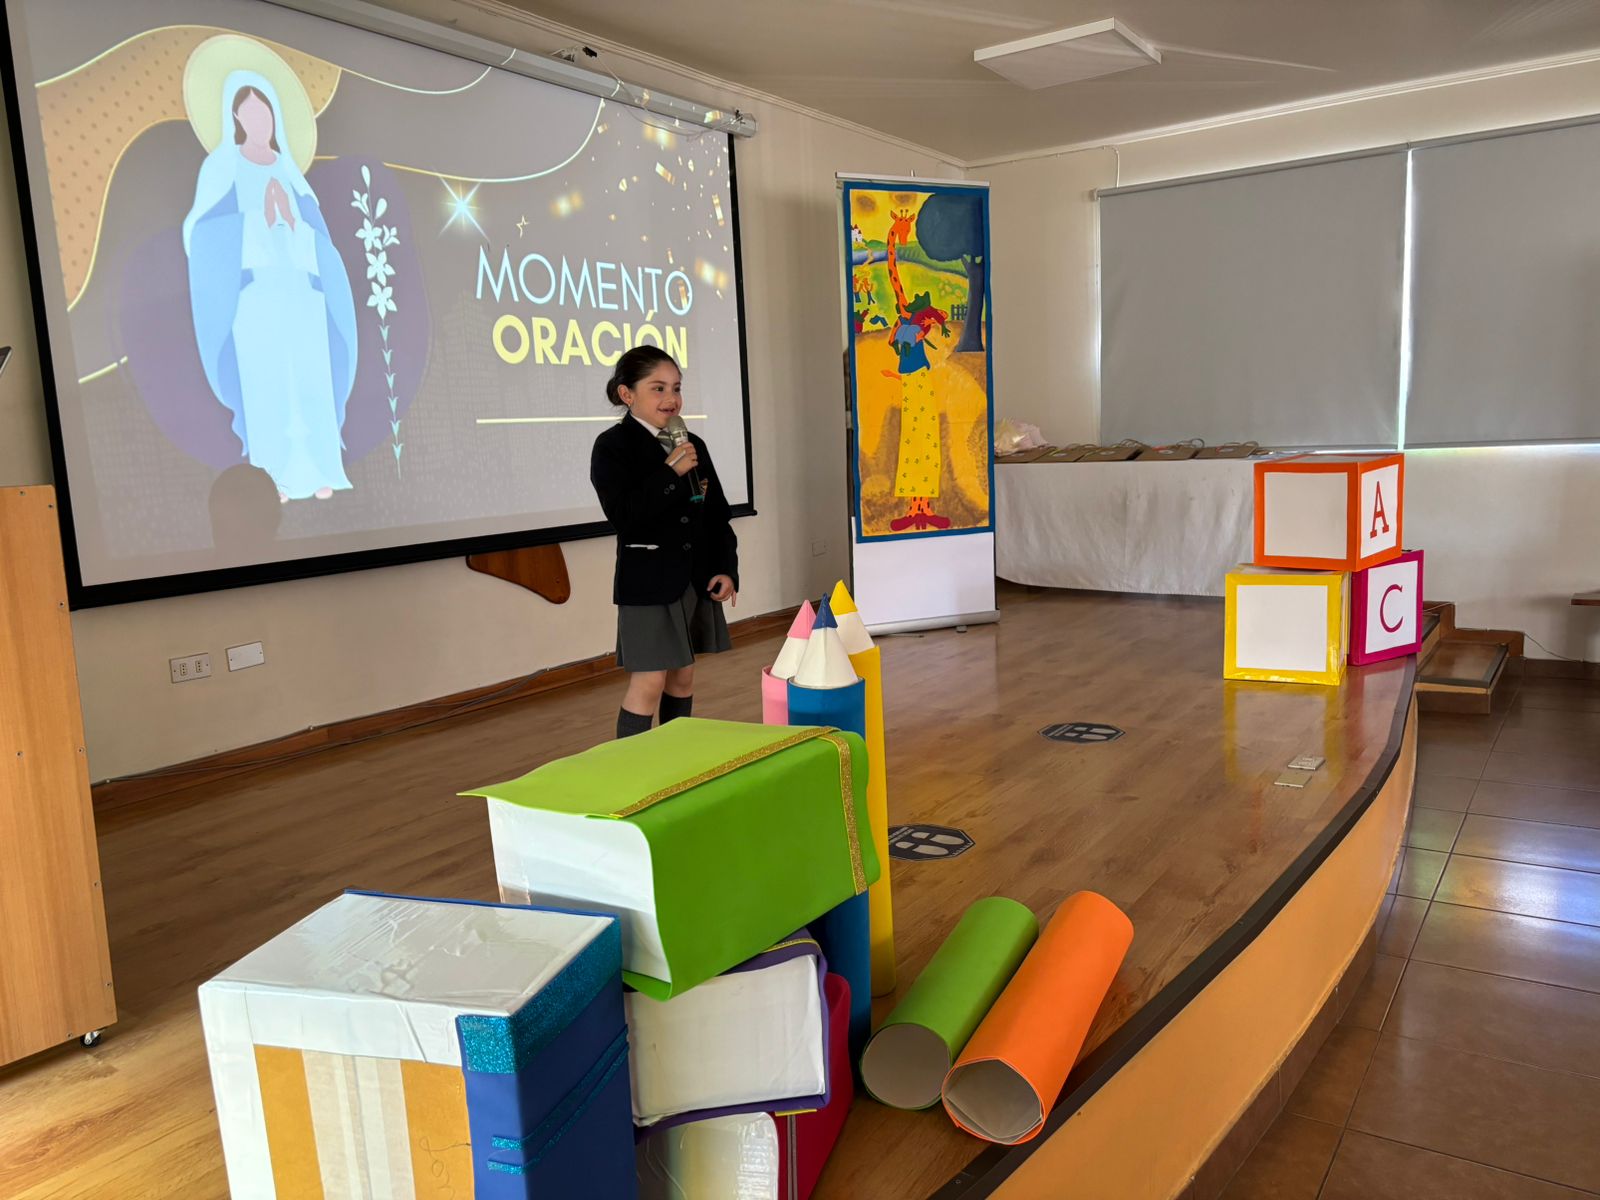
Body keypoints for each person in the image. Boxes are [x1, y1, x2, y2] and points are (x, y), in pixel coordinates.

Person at [183, 69, 357, 503]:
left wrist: (293, 222)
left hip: (302, 297)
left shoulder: (290, 170)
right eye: (250, 114)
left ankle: (320, 469)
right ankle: (274, 478)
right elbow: (201, 236)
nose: (259, 121)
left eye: (265, 113)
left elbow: (322, 241)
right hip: (256, 299)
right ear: (236, 119)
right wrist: (255, 221)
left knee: (311, 381)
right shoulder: (222, 168)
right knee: (269, 388)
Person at [590, 347, 738, 739]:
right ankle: (633, 767)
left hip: (694, 578)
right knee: (650, 680)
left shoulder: (692, 443)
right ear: (627, 394)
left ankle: (677, 758)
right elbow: (624, 515)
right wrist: (670, 473)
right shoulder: (612, 447)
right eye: (658, 388)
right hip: (649, 582)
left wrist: (726, 568)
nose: (671, 398)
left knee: (683, 675)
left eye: (676, 388)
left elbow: (716, 515)